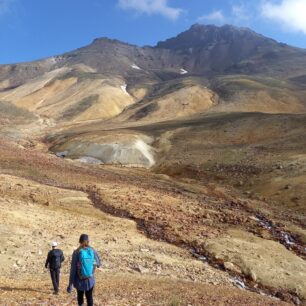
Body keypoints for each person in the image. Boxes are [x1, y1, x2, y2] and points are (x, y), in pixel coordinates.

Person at [67, 234, 101, 306]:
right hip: (90, 280)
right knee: (89, 297)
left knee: (80, 297)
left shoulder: (76, 252)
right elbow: (98, 263)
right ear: (88, 241)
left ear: (80, 241)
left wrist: (70, 284)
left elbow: (73, 269)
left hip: (79, 280)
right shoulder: (92, 250)